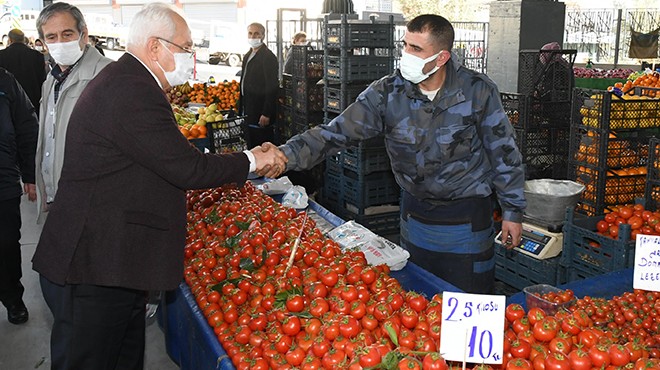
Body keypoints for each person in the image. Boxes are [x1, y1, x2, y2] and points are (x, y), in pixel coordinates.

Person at [31, 3, 286, 369]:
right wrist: (252, 160)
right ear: (155, 47)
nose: (190, 57)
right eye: (185, 48)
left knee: (123, 358)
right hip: (92, 269)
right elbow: (187, 168)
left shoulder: (128, 81)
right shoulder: (130, 90)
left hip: (114, 263)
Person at [278, 14, 525, 294]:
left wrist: (512, 211)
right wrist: (285, 155)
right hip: (415, 218)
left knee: (467, 305)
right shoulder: (387, 92)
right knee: (417, 304)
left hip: (465, 222)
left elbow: (504, 153)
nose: (406, 54)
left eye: (416, 49)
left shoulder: (477, 91)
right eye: (405, 45)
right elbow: (335, 132)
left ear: (442, 57)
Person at [34, 2, 113, 225]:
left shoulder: (107, 75)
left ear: (84, 35)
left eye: (67, 34)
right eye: (51, 37)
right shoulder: (51, 79)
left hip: (93, 205)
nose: (59, 42)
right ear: (44, 43)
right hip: (59, 201)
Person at [0, 67, 39, 325]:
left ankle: (13, 298)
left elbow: (26, 127)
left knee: (5, 244)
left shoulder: (5, 80)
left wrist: (30, 175)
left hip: (2, 180)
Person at [240, 22, 279, 147]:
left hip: (260, 110)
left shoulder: (268, 57)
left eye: (256, 33)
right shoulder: (248, 55)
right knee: (250, 143)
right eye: (250, 33)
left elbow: (272, 86)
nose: (252, 36)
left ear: (263, 35)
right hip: (248, 108)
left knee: (262, 144)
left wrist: (267, 112)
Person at [0, 29, 47, 113]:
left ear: (10, 40)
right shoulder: (37, 56)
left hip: (9, 102)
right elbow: (42, 80)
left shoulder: (2, 56)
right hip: (33, 101)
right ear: (23, 39)